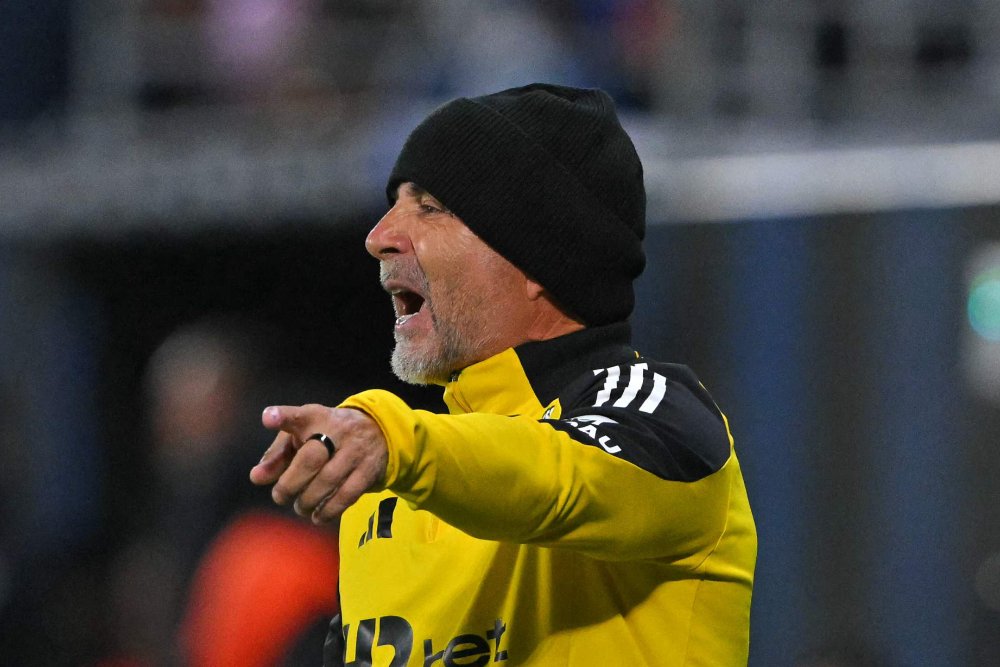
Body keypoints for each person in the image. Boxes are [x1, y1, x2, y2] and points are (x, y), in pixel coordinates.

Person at [251, 83, 757, 666]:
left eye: (431, 207)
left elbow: (562, 479)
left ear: (541, 259)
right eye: (394, 203)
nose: (379, 237)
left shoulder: (661, 414)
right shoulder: (382, 488)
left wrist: (396, 440)